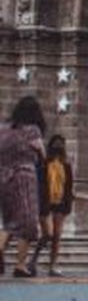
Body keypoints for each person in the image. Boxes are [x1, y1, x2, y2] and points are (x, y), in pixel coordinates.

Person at [0, 97, 48, 277]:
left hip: (3, 177)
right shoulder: (32, 130)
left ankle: (0, 247)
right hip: (24, 177)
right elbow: (42, 153)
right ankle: (20, 265)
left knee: (9, 220)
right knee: (27, 222)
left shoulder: (3, 129)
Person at [29, 135, 73, 277]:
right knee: (48, 234)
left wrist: (68, 203)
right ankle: (33, 260)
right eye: (56, 143)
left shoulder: (66, 165)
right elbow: (40, 183)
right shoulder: (44, 163)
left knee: (57, 236)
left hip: (60, 203)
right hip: (46, 202)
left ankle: (52, 266)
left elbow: (69, 185)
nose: (58, 146)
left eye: (61, 143)